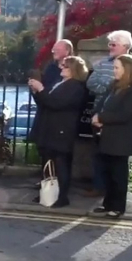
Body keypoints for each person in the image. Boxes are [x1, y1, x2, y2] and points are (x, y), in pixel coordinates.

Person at [28, 56, 89, 208]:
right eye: (62, 65)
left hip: (62, 130)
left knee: (61, 163)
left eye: (66, 66)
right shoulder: (60, 83)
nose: (62, 68)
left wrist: (41, 89)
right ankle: (47, 193)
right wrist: (36, 92)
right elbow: (46, 101)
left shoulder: (76, 87)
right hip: (50, 127)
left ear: (74, 70)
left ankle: (62, 197)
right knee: (48, 163)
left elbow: (57, 103)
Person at [92, 54, 132, 218]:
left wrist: (101, 118)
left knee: (118, 175)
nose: (114, 71)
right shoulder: (114, 86)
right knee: (107, 173)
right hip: (107, 136)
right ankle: (108, 204)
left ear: (127, 70)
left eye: (117, 68)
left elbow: (124, 114)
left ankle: (118, 206)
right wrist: (96, 116)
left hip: (122, 140)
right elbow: (102, 105)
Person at [86, 30, 132, 198]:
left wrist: (112, 87)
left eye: (114, 44)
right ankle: (99, 187)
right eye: (110, 44)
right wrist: (108, 88)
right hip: (100, 113)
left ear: (125, 47)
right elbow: (91, 83)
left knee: (116, 159)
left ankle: (113, 193)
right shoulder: (102, 63)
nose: (110, 47)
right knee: (98, 153)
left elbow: (130, 87)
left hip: (117, 118)